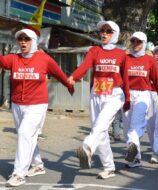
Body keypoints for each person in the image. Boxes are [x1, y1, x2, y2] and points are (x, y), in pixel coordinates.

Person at [0, 28, 74, 187]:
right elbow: (1, 61)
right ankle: (38, 165)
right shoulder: (14, 58)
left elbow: (58, 73)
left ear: (33, 41)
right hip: (17, 105)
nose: (23, 42)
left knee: (24, 133)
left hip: (37, 105)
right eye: (20, 39)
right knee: (28, 137)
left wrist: (69, 85)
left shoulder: (44, 59)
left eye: (26, 39)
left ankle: (19, 174)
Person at [67, 20, 130, 179]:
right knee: (100, 131)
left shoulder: (121, 54)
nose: (104, 33)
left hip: (114, 95)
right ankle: (109, 167)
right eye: (102, 30)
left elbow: (126, 78)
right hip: (96, 94)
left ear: (114, 34)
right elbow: (85, 66)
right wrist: (74, 77)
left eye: (108, 31)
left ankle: (87, 148)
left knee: (101, 124)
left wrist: (127, 99)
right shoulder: (94, 51)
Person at [123, 32, 158, 168]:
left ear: (144, 43)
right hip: (127, 95)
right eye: (133, 41)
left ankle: (132, 146)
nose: (135, 44)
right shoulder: (125, 59)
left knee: (136, 125)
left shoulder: (150, 60)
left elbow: (157, 82)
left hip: (143, 95)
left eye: (139, 41)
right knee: (127, 128)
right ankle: (135, 158)